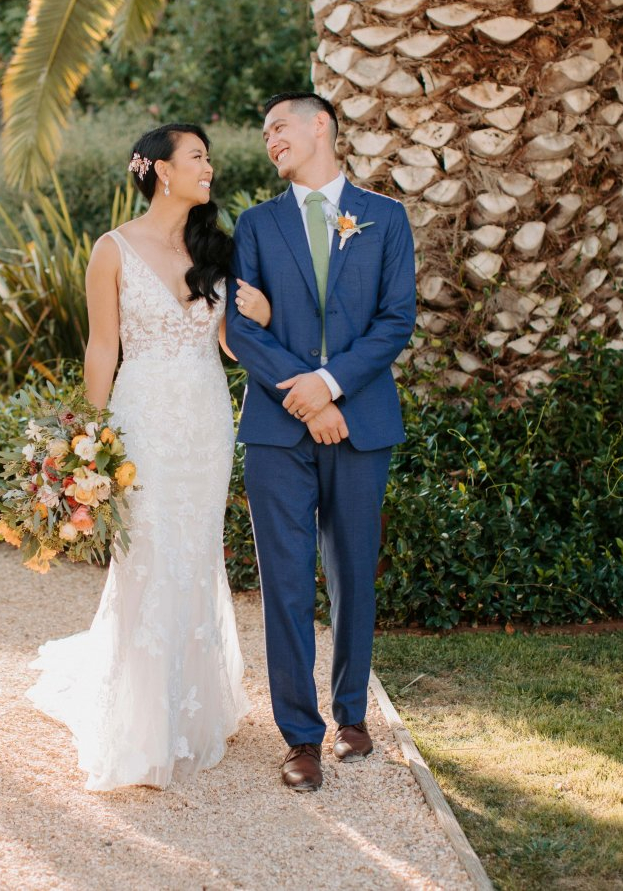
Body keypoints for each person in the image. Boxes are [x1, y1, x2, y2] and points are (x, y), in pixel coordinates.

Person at [26, 123, 273, 790]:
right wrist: (89, 438)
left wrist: (262, 313)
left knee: (194, 553)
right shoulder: (112, 249)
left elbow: (227, 344)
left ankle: (190, 709)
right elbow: (102, 348)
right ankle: (139, 721)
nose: (209, 167)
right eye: (198, 157)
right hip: (140, 422)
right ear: (162, 169)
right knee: (146, 555)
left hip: (204, 420)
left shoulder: (218, 249)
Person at [226, 92, 416, 792]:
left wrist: (330, 386)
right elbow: (242, 330)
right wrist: (304, 399)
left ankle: (352, 717)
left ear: (320, 127)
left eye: (279, 126)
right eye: (264, 131)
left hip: (360, 422)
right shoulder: (253, 225)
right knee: (282, 581)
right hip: (278, 430)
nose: (270, 139)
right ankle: (299, 737)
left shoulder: (386, 218)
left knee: (352, 575)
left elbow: (396, 321)